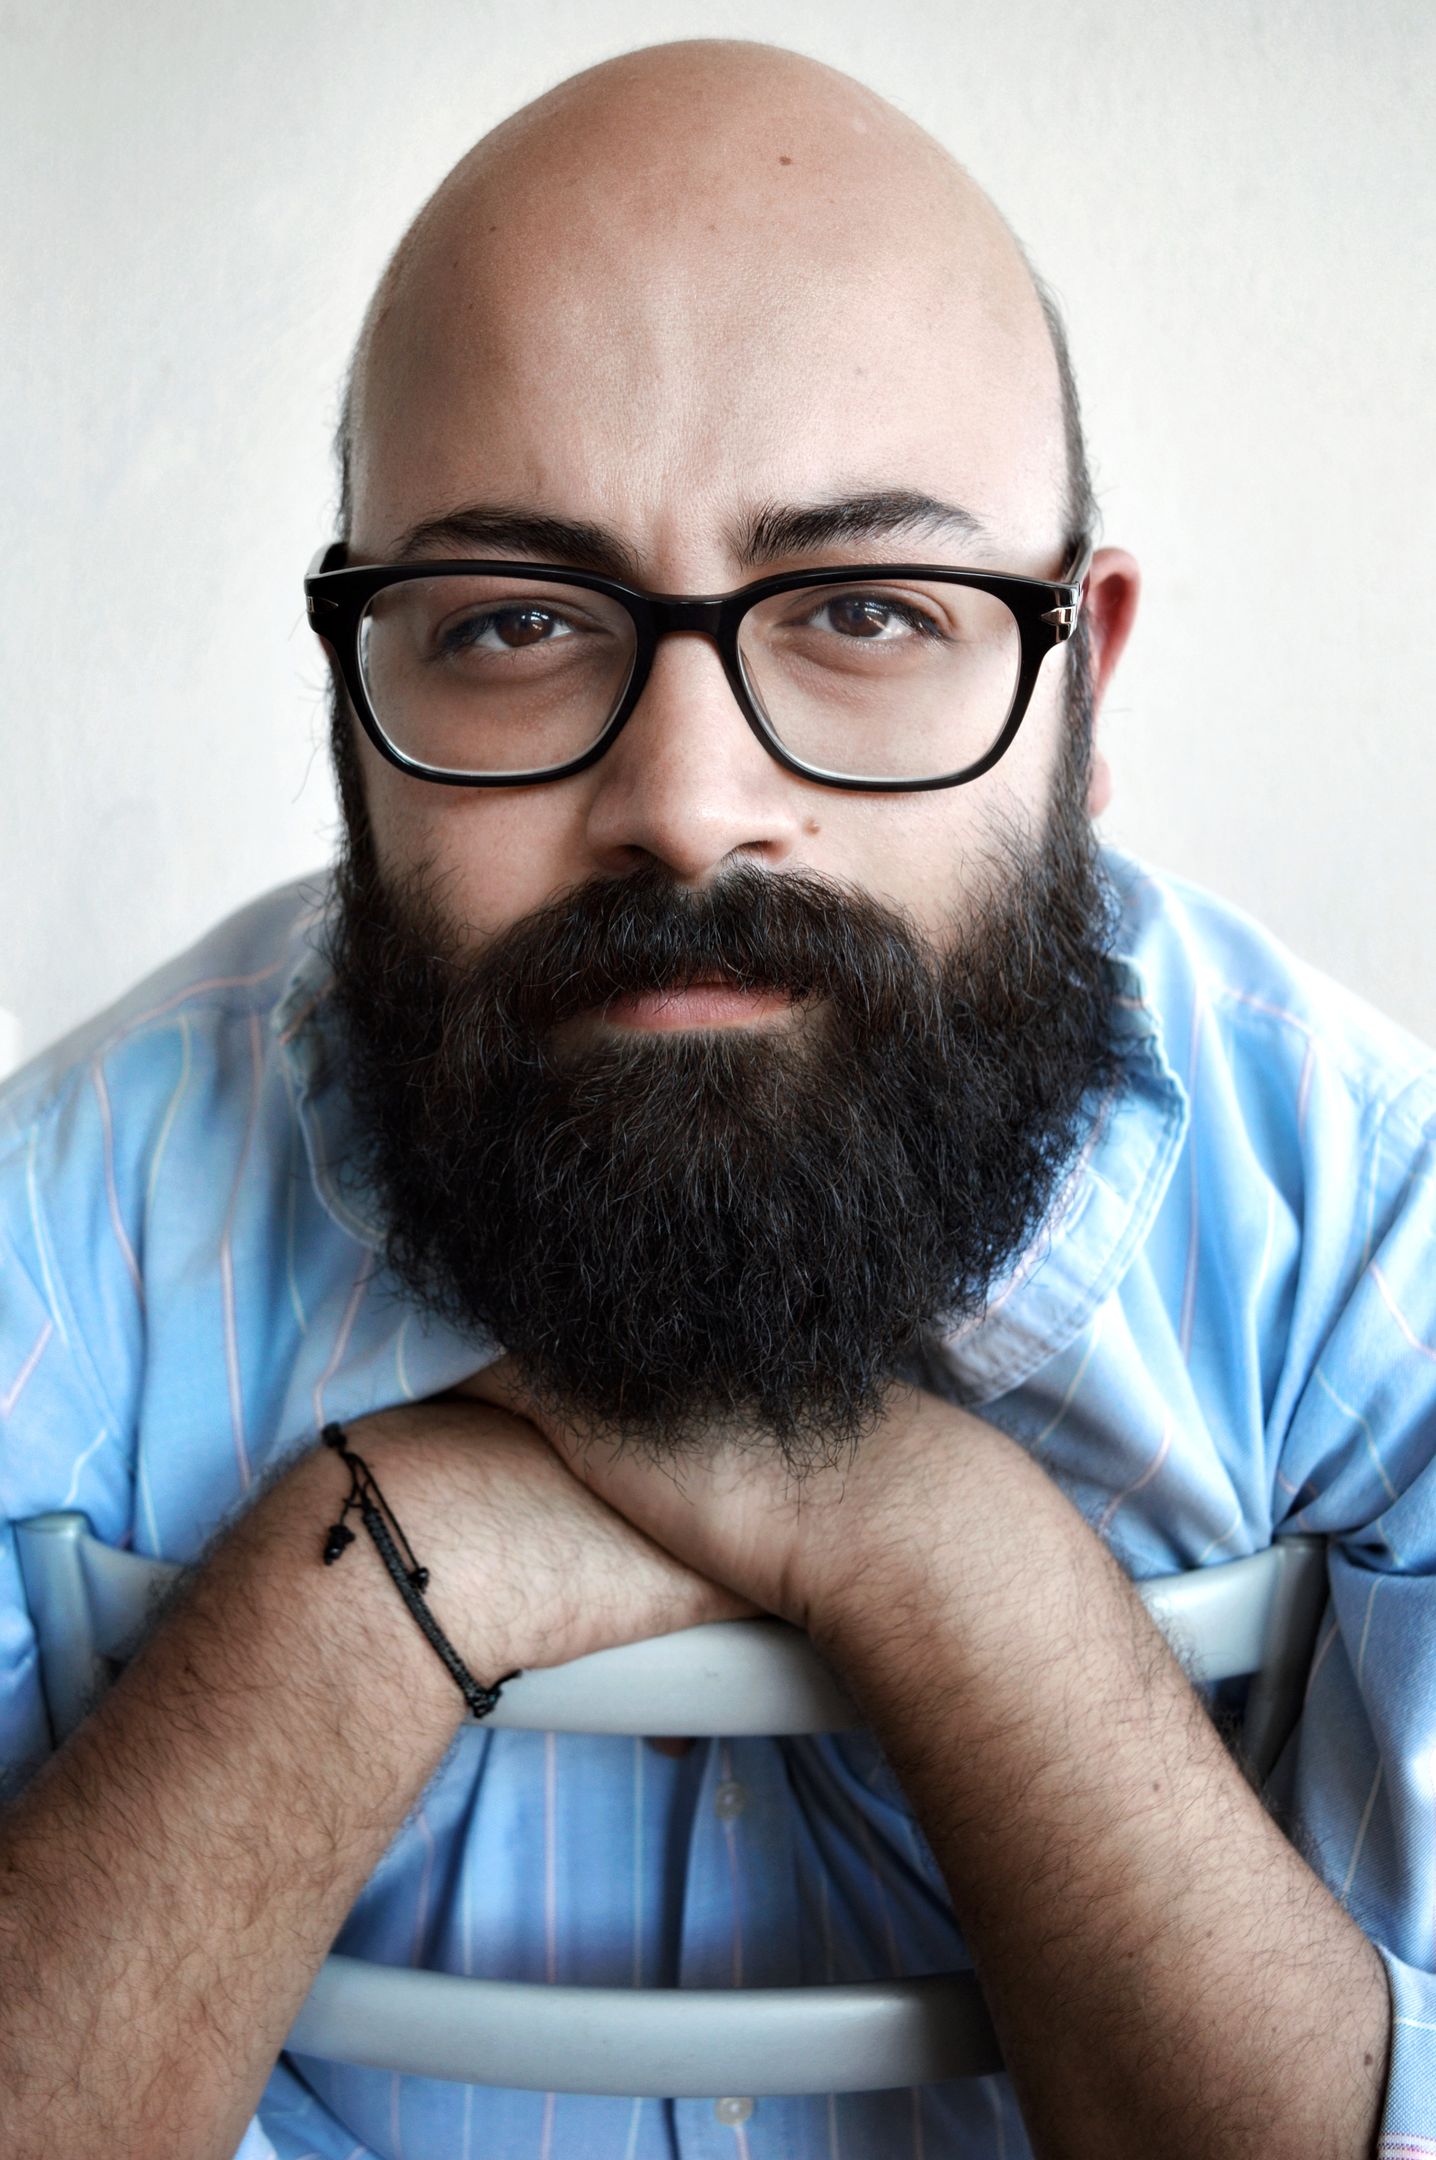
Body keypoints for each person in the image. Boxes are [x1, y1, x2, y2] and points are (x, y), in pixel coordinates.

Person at [0, 36, 1430, 2160]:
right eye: (512, 624)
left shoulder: (1378, 1256)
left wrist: (951, 1562)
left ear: (1084, 680)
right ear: (357, 702)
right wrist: (361, 1606)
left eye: (863, 609)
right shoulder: (51, 1254)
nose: (685, 804)